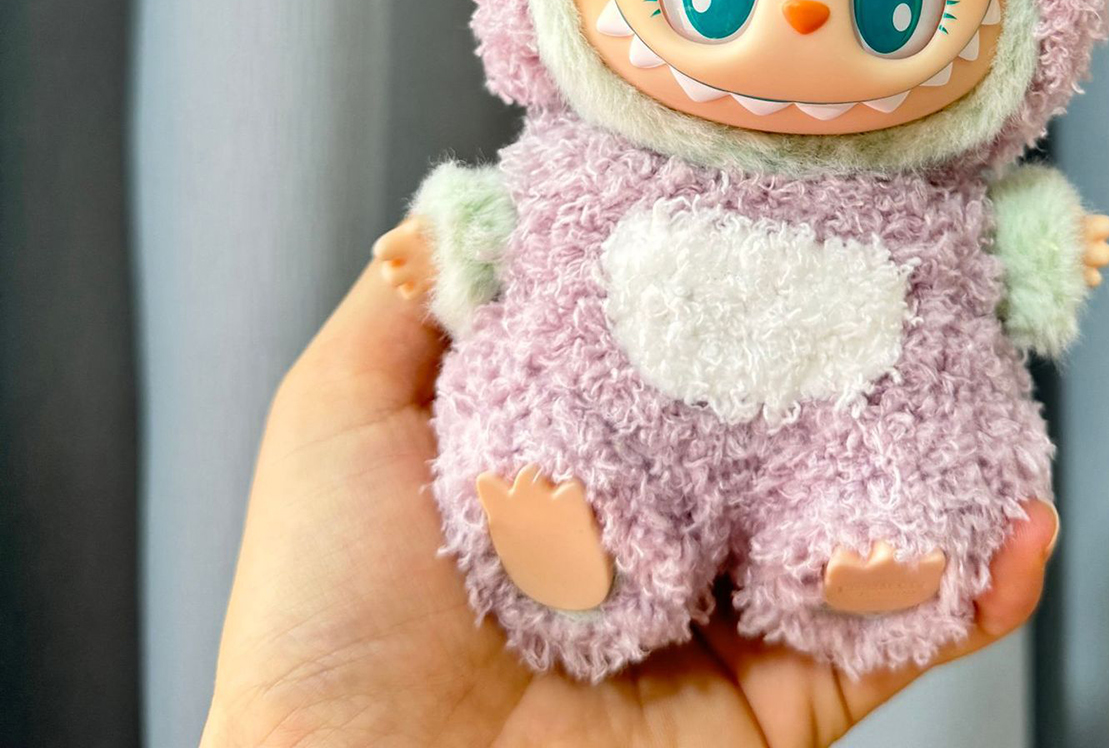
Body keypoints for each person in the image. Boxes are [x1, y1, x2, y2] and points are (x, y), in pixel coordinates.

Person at [199, 250, 1059, 748]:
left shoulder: (937, 204)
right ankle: (583, 538)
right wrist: (447, 241)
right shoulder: (573, 166)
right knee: (554, 418)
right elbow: (477, 229)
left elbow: (1019, 259)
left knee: (906, 440)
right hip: (626, 420)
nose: (800, 16)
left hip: (844, 410)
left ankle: (858, 548)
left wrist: (1046, 251)